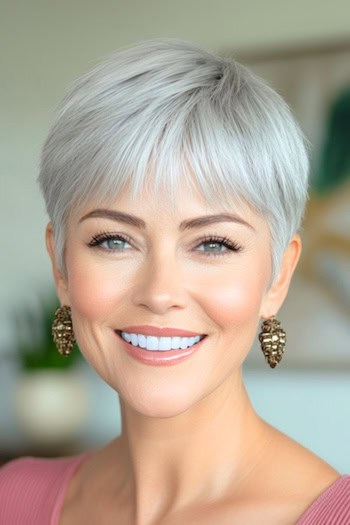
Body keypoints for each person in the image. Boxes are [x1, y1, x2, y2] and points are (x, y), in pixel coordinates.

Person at [0, 38, 349, 524]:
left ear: (279, 275)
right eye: (114, 240)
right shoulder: (11, 499)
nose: (160, 293)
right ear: (61, 267)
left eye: (212, 244)